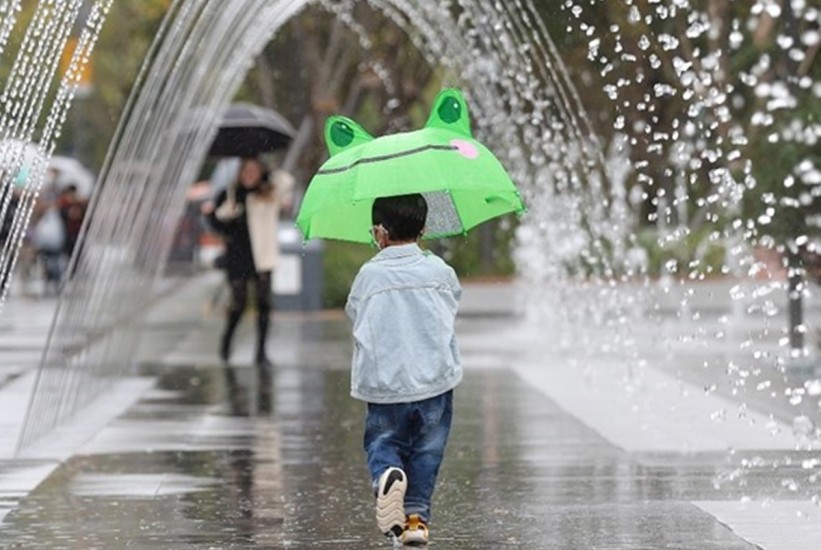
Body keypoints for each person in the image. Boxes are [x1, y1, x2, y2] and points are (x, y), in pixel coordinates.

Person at [345, 193, 462, 546]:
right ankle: (415, 521)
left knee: (385, 441)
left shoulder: (369, 275)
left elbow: (354, 312)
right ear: (424, 228)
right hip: (434, 382)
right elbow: (453, 300)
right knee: (427, 451)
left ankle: (385, 476)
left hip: (386, 384)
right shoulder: (440, 271)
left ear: (380, 233)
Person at [208, 157, 292, 370]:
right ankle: (226, 342)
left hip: (262, 257)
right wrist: (223, 212)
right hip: (237, 257)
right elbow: (218, 224)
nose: (249, 175)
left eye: (254, 171)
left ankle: (261, 352)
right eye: (246, 171)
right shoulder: (231, 194)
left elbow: (287, 181)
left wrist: (269, 170)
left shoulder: (269, 193)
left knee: (263, 303)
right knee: (239, 303)